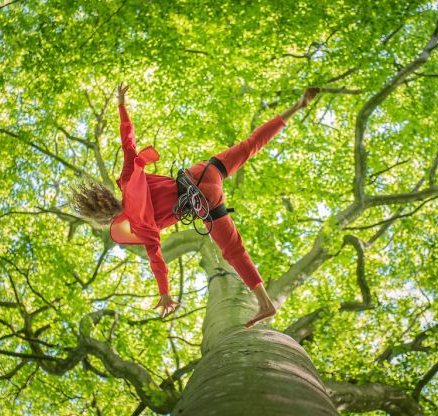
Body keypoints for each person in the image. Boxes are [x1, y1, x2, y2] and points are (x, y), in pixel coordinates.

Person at [73, 83, 320, 328]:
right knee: (251, 145)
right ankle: (297, 107)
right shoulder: (127, 180)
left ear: (107, 219)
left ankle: (265, 302)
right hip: (203, 174)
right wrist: (121, 105)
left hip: (205, 204)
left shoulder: (140, 226)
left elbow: (157, 260)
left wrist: (165, 293)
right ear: (105, 195)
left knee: (234, 251)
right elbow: (128, 141)